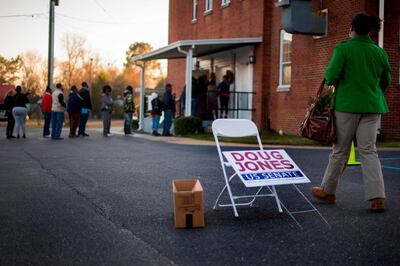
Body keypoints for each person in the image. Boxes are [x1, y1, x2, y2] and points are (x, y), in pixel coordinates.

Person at [311, 13, 392, 213]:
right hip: (373, 106)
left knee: (340, 151)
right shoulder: (378, 51)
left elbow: (330, 77)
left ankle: (328, 191)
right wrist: (372, 92)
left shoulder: (343, 48)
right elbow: (386, 80)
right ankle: (377, 197)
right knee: (369, 150)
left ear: (352, 28)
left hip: (347, 106)